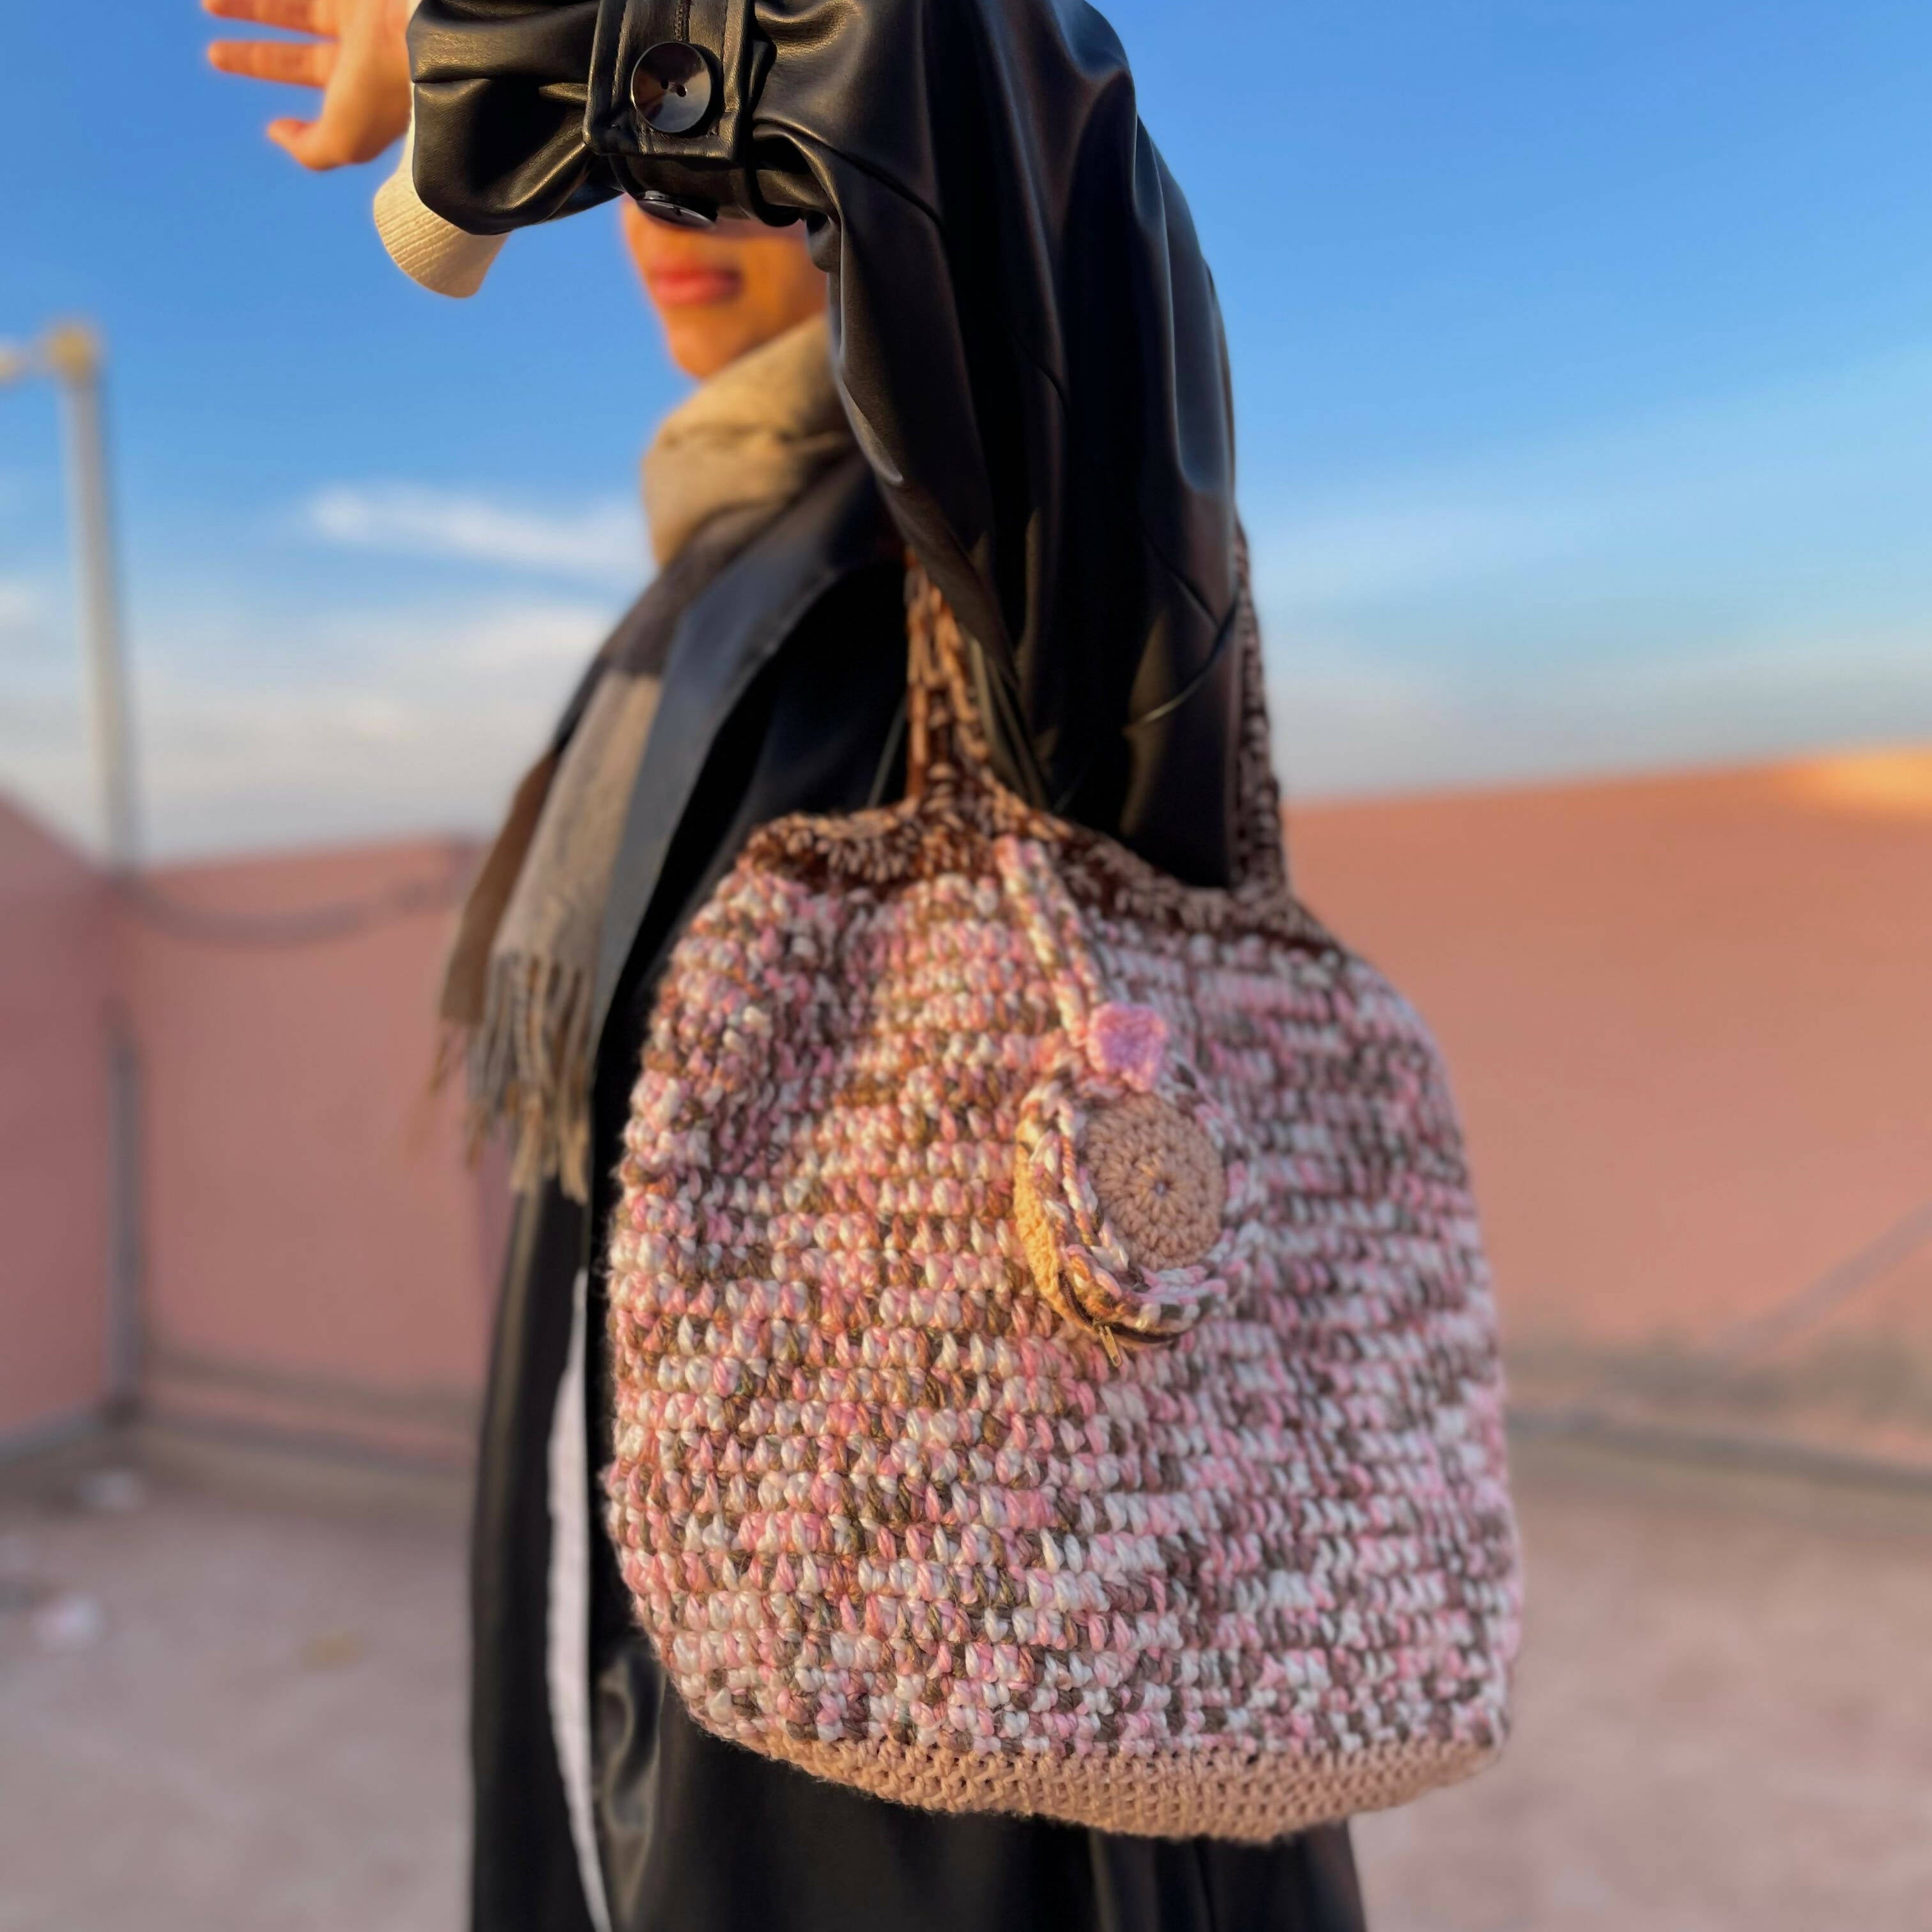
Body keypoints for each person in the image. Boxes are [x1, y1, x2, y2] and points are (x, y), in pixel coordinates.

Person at [206, 3, 1369, 1928]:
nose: (672, 214)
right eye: (646, 179)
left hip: (992, 1814)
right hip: (646, 1747)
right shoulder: (695, 597)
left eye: (726, 169)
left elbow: (942, 56)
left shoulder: (1034, 566)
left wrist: (495, 40)